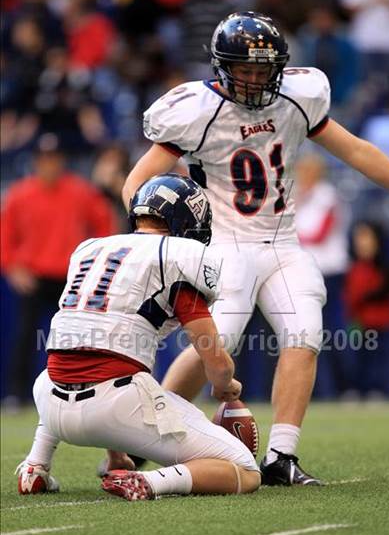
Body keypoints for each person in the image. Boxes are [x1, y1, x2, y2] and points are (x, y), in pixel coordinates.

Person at [121, 11, 389, 486]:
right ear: (222, 65)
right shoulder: (197, 110)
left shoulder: (297, 98)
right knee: (210, 349)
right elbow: (138, 182)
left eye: (265, 69)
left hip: (283, 241)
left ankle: (282, 456)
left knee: (306, 335)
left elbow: (357, 150)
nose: (257, 79)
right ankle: (137, 442)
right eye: (247, 69)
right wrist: (148, 237)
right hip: (224, 245)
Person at [16, 174, 260, 501]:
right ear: (187, 222)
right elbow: (214, 360)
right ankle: (150, 482)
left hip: (48, 398)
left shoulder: (93, 249)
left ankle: (36, 465)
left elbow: (93, 339)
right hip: (114, 403)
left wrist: (116, 451)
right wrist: (223, 384)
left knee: (80, 362)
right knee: (245, 470)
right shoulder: (177, 256)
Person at [1, 134, 117, 409]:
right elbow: (5, 235)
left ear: (62, 161)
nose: (49, 164)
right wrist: (13, 267)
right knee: (26, 336)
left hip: (70, 278)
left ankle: (75, 391)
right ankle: (17, 395)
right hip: (34, 276)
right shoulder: (20, 193)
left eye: (53, 159)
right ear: (35, 161)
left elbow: (104, 225)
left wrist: (93, 263)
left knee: (73, 339)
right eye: (43, 159)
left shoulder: (80, 191)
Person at [295, 153, 350, 398]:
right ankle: (321, 389)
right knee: (311, 332)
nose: (303, 177)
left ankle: (342, 387)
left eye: (308, 172)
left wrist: (290, 236)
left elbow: (319, 234)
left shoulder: (327, 196)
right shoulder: (297, 196)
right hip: (307, 270)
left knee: (330, 331)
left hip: (329, 272)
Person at [343, 220, 389, 398]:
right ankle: (357, 389)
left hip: (379, 324)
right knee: (358, 358)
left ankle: (378, 389)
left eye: (366, 236)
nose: (362, 242)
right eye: (359, 237)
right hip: (360, 324)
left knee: (378, 358)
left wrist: (365, 297)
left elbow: (385, 291)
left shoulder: (385, 268)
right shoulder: (353, 268)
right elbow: (349, 296)